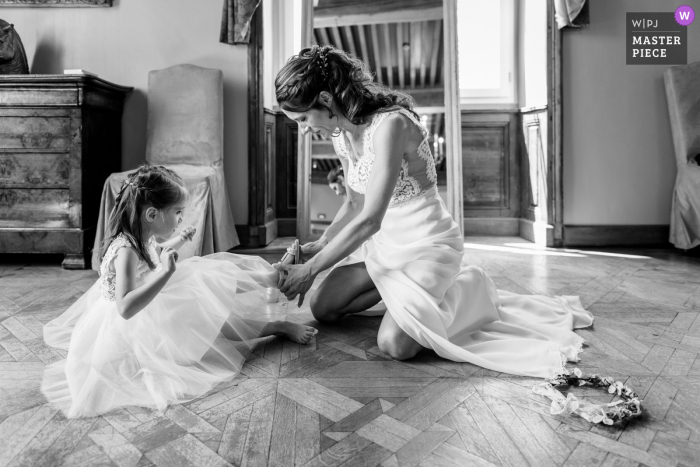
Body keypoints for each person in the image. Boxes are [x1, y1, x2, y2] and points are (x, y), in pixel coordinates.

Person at [273, 45, 593, 379]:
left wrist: (309, 271)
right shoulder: (341, 137)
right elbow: (354, 204)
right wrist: (320, 245)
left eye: (302, 119)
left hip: (427, 247)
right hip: (385, 248)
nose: (304, 129)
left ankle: (468, 286)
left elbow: (370, 218)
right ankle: (399, 293)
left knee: (395, 344)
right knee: (322, 308)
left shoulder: (390, 125)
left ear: (325, 99)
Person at [42, 165, 315, 418]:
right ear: (152, 215)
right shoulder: (125, 251)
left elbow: (153, 253)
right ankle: (276, 312)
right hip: (142, 322)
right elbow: (125, 308)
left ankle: (272, 277)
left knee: (210, 277)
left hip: (155, 299)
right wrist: (166, 273)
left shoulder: (138, 235)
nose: (181, 217)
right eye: (177, 213)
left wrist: (179, 239)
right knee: (213, 315)